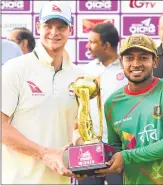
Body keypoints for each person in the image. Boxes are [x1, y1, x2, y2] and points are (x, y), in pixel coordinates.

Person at [2, 1, 84, 184]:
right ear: (38, 27)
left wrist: (85, 155)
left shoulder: (80, 77)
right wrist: (44, 154)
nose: (54, 32)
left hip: (59, 181)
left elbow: (79, 128)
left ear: (71, 29)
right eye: (48, 26)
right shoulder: (14, 69)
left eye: (61, 27)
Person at [95, 33, 163, 184]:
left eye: (143, 57)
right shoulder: (112, 103)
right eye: (129, 58)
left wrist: (126, 156)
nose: (136, 63)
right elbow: (116, 150)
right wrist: (90, 163)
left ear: (155, 61)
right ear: (121, 62)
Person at [76, 23, 127, 185]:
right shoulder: (85, 71)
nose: (87, 46)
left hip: (120, 149)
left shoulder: (128, 70)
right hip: (89, 148)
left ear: (106, 45)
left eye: (92, 42)